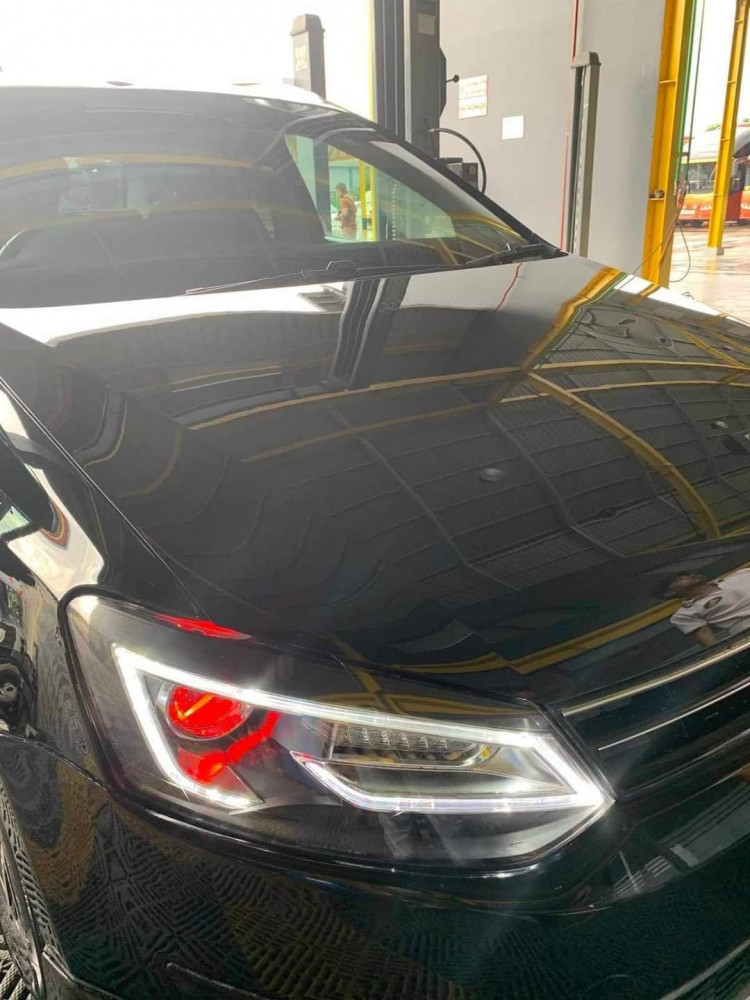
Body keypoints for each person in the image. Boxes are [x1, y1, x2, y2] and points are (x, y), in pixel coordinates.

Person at [658, 567, 750, 647]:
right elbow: (708, 639)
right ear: (670, 592)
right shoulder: (684, 613)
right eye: (681, 579)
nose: (690, 576)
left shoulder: (740, 574)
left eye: (689, 574)